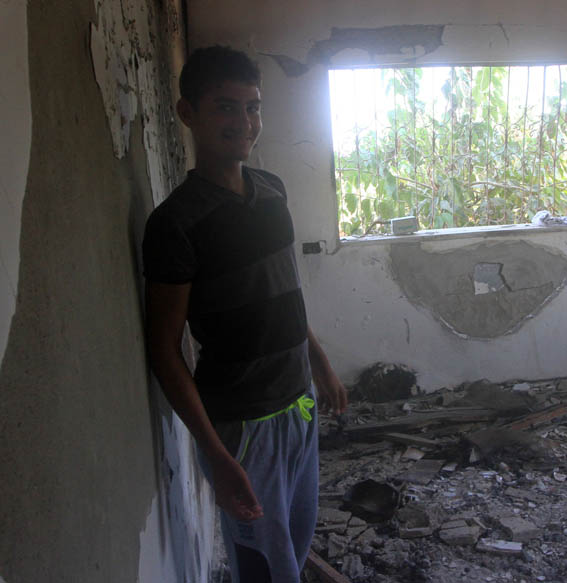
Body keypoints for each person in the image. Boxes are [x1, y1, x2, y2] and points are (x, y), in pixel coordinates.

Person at [142, 45, 347, 582]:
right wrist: (215, 452)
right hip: (243, 424)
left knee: (294, 546)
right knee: (260, 564)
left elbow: (283, 294)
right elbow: (164, 350)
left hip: (298, 403)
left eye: (253, 107)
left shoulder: (272, 190)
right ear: (188, 113)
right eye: (225, 107)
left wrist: (320, 364)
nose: (245, 122)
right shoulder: (176, 223)